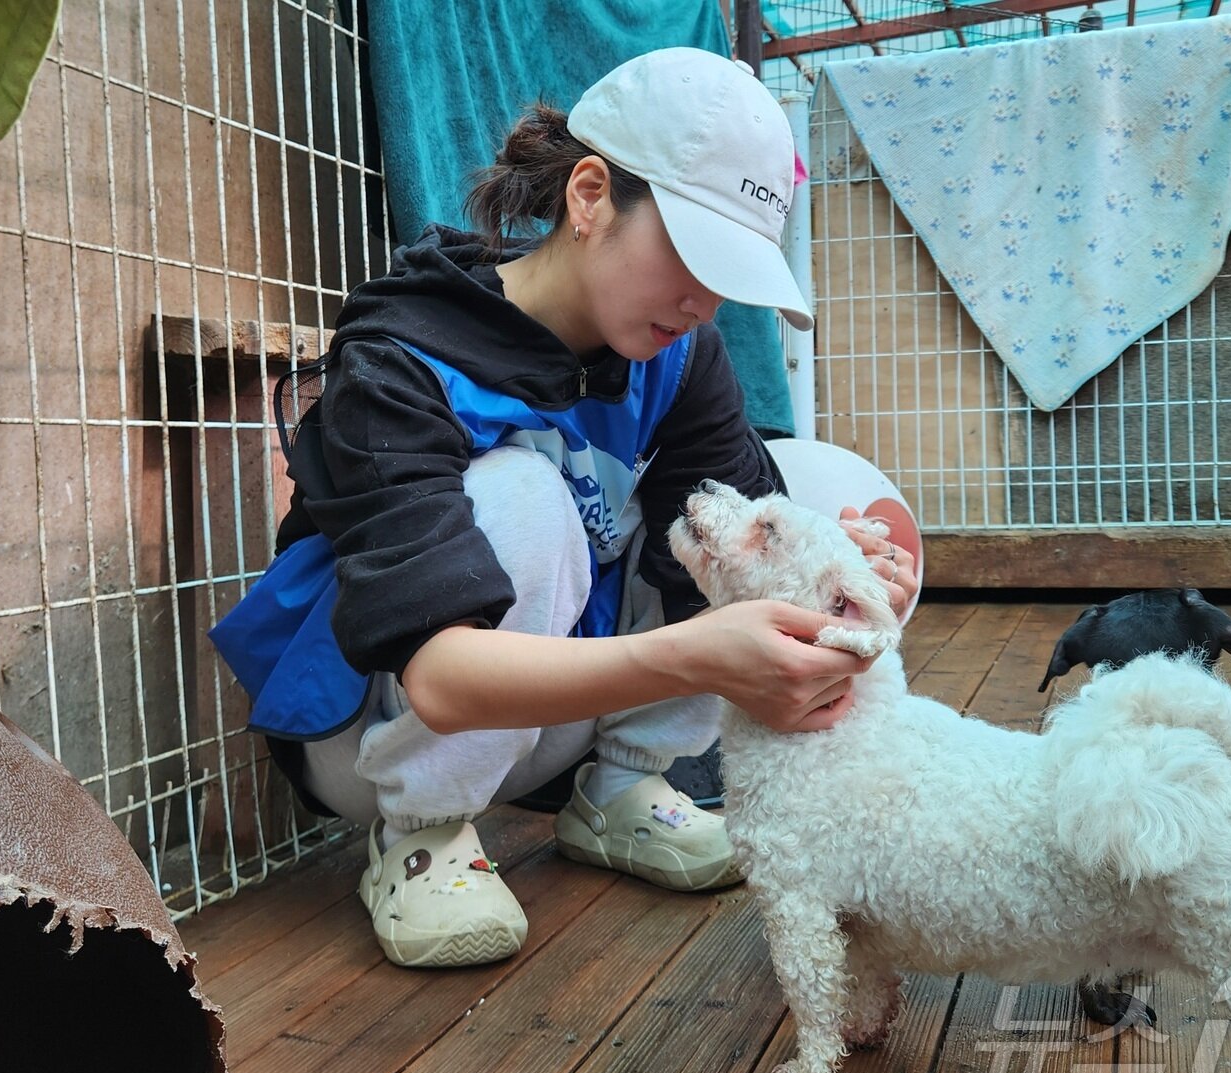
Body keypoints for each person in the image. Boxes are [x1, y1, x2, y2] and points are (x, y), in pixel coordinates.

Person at [210, 47, 918, 969]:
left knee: (788, 513)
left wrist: (850, 580)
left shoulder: (679, 351)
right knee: (525, 494)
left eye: (729, 276)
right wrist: (694, 652)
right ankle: (421, 838)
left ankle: (624, 788)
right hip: (376, 735)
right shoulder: (403, 352)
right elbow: (440, 678)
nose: (704, 303)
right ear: (589, 196)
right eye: (691, 255)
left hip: (553, 717)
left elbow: (750, 535)